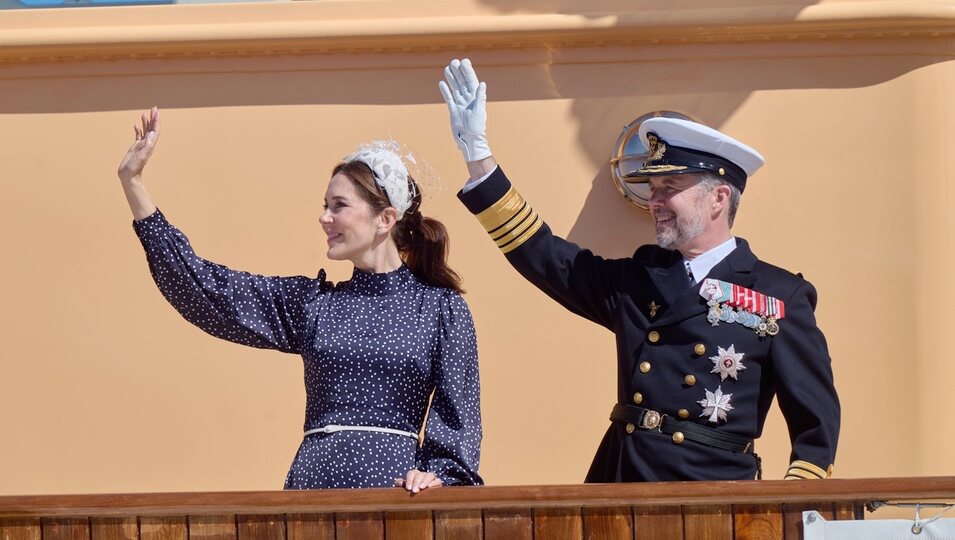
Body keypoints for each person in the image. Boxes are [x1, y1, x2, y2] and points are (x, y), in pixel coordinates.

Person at [439, 59, 839, 481]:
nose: (655, 201)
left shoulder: (779, 295)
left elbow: (816, 428)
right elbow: (548, 258)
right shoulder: (639, 279)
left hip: (715, 495)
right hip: (622, 484)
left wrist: (787, 508)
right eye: (652, 190)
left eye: (670, 188)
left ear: (719, 198)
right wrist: (479, 158)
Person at [117, 107, 482, 491]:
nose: (324, 217)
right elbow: (208, 288)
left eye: (338, 205)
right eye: (325, 206)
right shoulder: (313, 305)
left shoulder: (442, 309)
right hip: (312, 491)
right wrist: (134, 184)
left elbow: (459, 420)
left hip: (395, 498)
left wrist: (439, 475)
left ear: (385, 218)